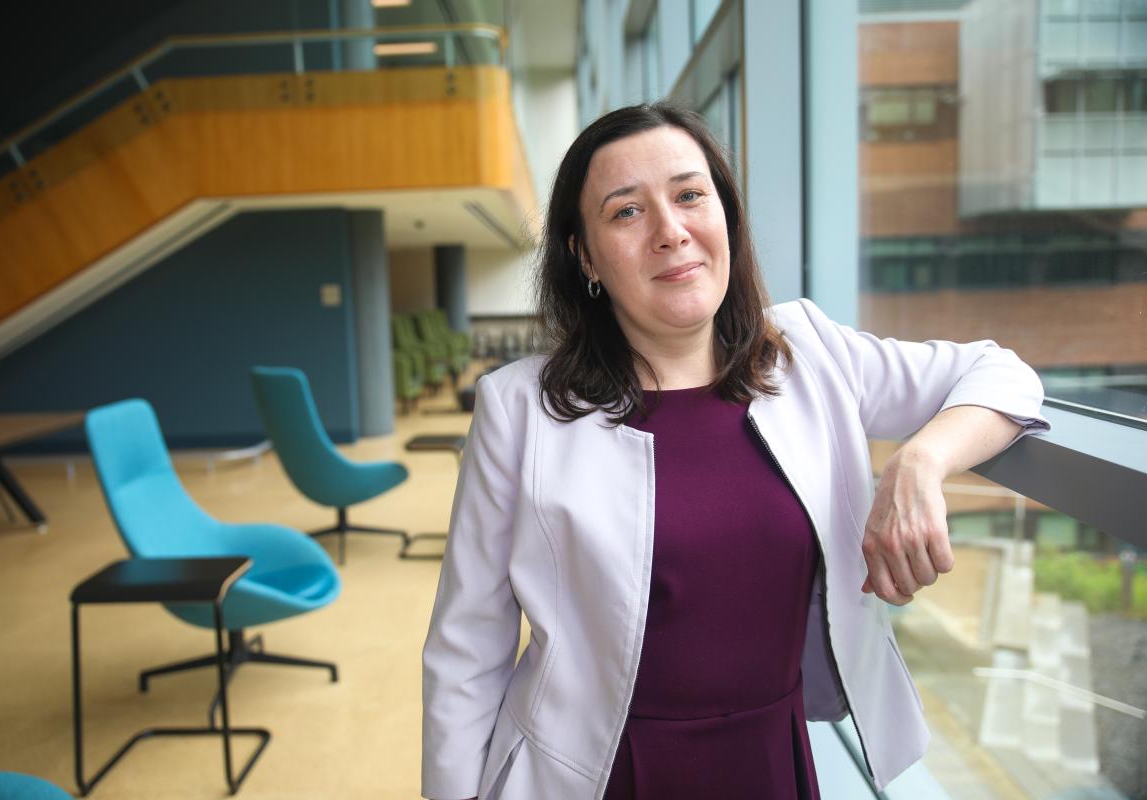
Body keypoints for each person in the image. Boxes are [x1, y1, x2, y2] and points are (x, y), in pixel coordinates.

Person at [421, 102, 1049, 800]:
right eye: (626, 212)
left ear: (726, 216)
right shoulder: (519, 409)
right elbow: (466, 647)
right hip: (593, 771)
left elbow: (1005, 375)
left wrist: (920, 461)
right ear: (585, 255)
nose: (671, 232)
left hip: (768, 759)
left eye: (691, 195)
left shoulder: (810, 354)